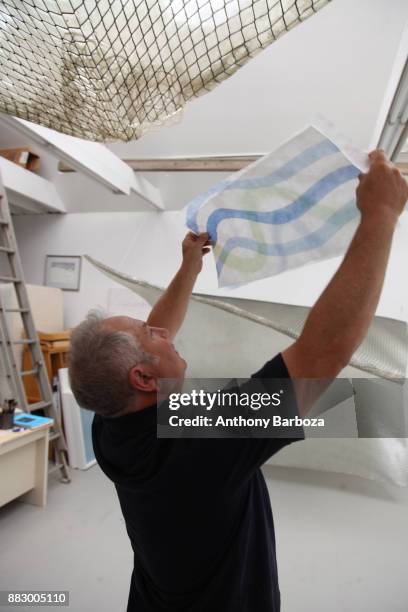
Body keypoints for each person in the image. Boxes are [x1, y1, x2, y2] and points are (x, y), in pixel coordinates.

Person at [68, 150, 407, 611]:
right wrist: (382, 215)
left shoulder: (112, 423)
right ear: (144, 377)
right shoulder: (206, 440)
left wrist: (189, 267)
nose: (163, 331)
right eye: (151, 335)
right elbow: (321, 354)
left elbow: (152, 335)